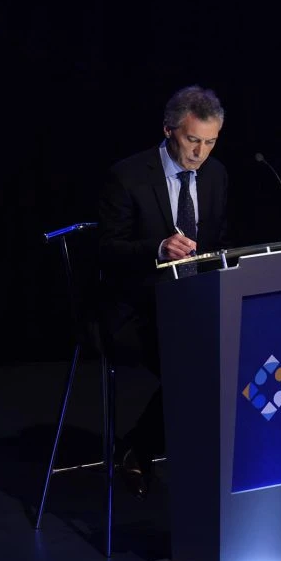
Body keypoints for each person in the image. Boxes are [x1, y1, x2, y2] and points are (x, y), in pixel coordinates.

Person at [98, 85, 230, 498]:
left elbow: (218, 243)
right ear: (169, 130)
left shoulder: (216, 175)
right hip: (137, 306)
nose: (200, 153)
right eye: (192, 140)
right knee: (197, 364)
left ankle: (145, 445)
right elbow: (105, 250)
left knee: (236, 354)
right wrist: (157, 248)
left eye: (210, 142)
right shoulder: (128, 176)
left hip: (194, 301)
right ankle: (142, 448)